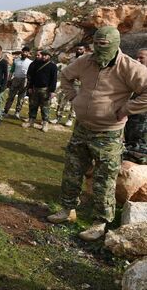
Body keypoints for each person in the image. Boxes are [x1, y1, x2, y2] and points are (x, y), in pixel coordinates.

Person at [47, 27, 147, 241]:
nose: (99, 48)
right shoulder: (85, 61)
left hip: (108, 133)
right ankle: (67, 210)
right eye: (97, 43)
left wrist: (127, 109)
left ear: (114, 44)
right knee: (72, 170)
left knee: (104, 179)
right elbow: (65, 76)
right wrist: (74, 98)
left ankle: (100, 222)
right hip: (82, 128)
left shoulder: (129, 66)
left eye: (104, 44)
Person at [52, 43, 87, 126]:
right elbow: (67, 69)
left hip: (79, 84)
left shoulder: (86, 60)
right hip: (69, 82)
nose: (78, 50)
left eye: (81, 49)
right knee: (62, 100)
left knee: (75, 102)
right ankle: (58, 117)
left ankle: (70, 119)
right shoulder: (72, 59)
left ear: (84, 50)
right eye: (77, 49)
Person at [22, 50, 57, 132]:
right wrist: (30, 87)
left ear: (49, 56)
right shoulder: (37, 64)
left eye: (46, 55)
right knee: (33, 105)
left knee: (45, 107)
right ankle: (31, 121)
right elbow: (32, 77)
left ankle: (45, 123)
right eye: (43, 55)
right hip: (35, 88)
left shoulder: (53, 66)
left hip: (45, 90)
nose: (44, 57)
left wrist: (52, 91)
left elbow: (54, 79)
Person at [123, 48, 147, 164]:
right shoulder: (136, 74)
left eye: (141, 57)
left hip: (143, 121)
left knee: (140, 147)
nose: (137, 60)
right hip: (132, 117)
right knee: (130, 143)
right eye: (137, 57)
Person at [4, 46, 32, 119]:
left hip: (24, 80)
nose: (24, 53)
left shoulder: (30, 62)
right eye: (24, 51)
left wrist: (29, 83)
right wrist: (9, 80)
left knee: (21, 98)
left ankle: (17, 113)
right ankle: (5, 111)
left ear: (28, 53)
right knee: (11, 96)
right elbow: (11, 71)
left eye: (26, 52)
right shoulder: (16, 60)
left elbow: (31, 73)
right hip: (16, 79)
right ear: (21, 52)